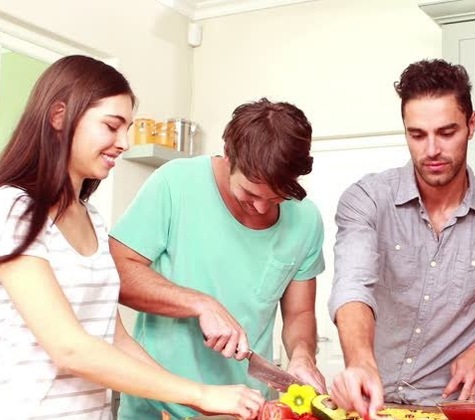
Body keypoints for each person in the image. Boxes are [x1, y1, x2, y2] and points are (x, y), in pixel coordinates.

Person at [0, 55, 263, 419]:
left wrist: (197, 404)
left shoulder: (90, 217)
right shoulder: (12, 208)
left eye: (128, 128)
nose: (123, 142)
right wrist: (201, 393)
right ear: (59, 116)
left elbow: (115, 338)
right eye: (111, 126)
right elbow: (68, 348)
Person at [328, 58, 475, 418]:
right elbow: (352, 284)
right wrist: (360, 362)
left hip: (451, 406)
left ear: (472, 124)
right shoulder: (366, 199)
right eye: (417, 135)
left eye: (446, 132)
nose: (431, 151)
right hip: (370, 403)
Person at [109, 98, 327, 419]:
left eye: (277, 197)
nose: (263, 208)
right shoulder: (175, 183)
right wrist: (200, 304)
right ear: (228, 155)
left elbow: (300, 313)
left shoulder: (306, 220)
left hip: (245, 409)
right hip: (157, 408)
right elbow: (114, 273)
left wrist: (302, 355)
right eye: (250, 194)